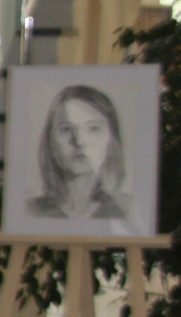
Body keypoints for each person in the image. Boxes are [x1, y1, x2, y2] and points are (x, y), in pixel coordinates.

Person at [28, 84, 129, 219]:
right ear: (50, 142)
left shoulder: (129, 210)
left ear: (111, 140)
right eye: (66, 129)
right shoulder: (30, 212)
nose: (79, 141)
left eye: (93, 128)